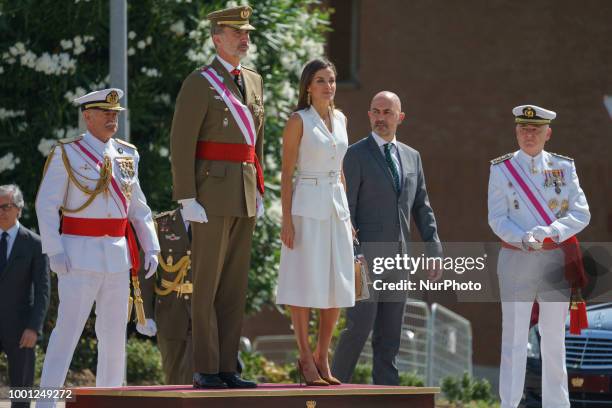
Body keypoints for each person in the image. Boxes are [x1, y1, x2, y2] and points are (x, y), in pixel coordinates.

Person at [35, 88, 160, 405]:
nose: (111, 118)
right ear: (87, 116)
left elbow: (138, 208)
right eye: (105, 112)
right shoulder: (68, 154)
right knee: (67, 332)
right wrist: (54, 249)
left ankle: (108, 399)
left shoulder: (127, 154)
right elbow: (46, 205)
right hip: (77, 254)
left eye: (115, 113)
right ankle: (47, 401)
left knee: (114, 335)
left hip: (117, 257)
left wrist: (152, 246)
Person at [169, 5, 264, 389]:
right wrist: (186, 197)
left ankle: (228, 367)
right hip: (209, 195)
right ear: (216, 38)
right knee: (206, 285)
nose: (244, 38)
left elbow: (258, 142)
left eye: (246, 33)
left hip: (244, 193)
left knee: (233, 285)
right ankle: (206, 368)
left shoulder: (254, 81)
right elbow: (181, 143)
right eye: (235, 33)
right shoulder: (200, 82)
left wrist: (259, 185)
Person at [331, 91, 442, 385]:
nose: (380, 117)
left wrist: (434, 248)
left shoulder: (412, 157)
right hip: (364, 258)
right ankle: (333, 389)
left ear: (399, 117)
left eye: (387, 112)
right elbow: (347, 210)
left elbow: (422, 206)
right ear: (369, 115)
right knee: (358, 328)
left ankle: (386, 395)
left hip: (400, 260)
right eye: (375, 111)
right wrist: (353, 254)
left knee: (390, 337)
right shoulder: (355, 154)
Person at [487, 105, 590, 408]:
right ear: (516, 131)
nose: (529, 135)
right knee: (514, 339)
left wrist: (551, 231)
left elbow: (581, 213)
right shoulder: (501, 168)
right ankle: (509, 404)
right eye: (523, 129)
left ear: (548, 133)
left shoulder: (564, 167)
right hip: (517, 259)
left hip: (553, 259)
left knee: (554, 341)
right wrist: (522, 238)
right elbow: (497, 218)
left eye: (535, 130)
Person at [276, 58, 354, 386]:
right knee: (303, 283)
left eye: (332, 80)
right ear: (308, 86)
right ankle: (305, 357)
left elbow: (340, 169)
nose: (328, 86)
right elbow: (286, 173)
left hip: (337, 209)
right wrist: (287, 221)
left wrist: (348, 215)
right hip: (306, 207)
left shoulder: (341, 118)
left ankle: (323, 356)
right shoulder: (299, 121)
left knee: (337, 286)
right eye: (321, 80)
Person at [0, 184, 50, 408]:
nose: (1, 211)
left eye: (6, 206)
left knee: (21, 392)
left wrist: (34, 327)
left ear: (19, 209)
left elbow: (43, 290)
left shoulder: (34, 244)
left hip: (21, 329)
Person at [137, 207, 194, 385]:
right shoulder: (161, 225)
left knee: (195, 372)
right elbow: (145, 274)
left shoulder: (213, 223)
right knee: (173, 375)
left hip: (202, 310)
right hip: (170, 311)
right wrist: (145, 314)